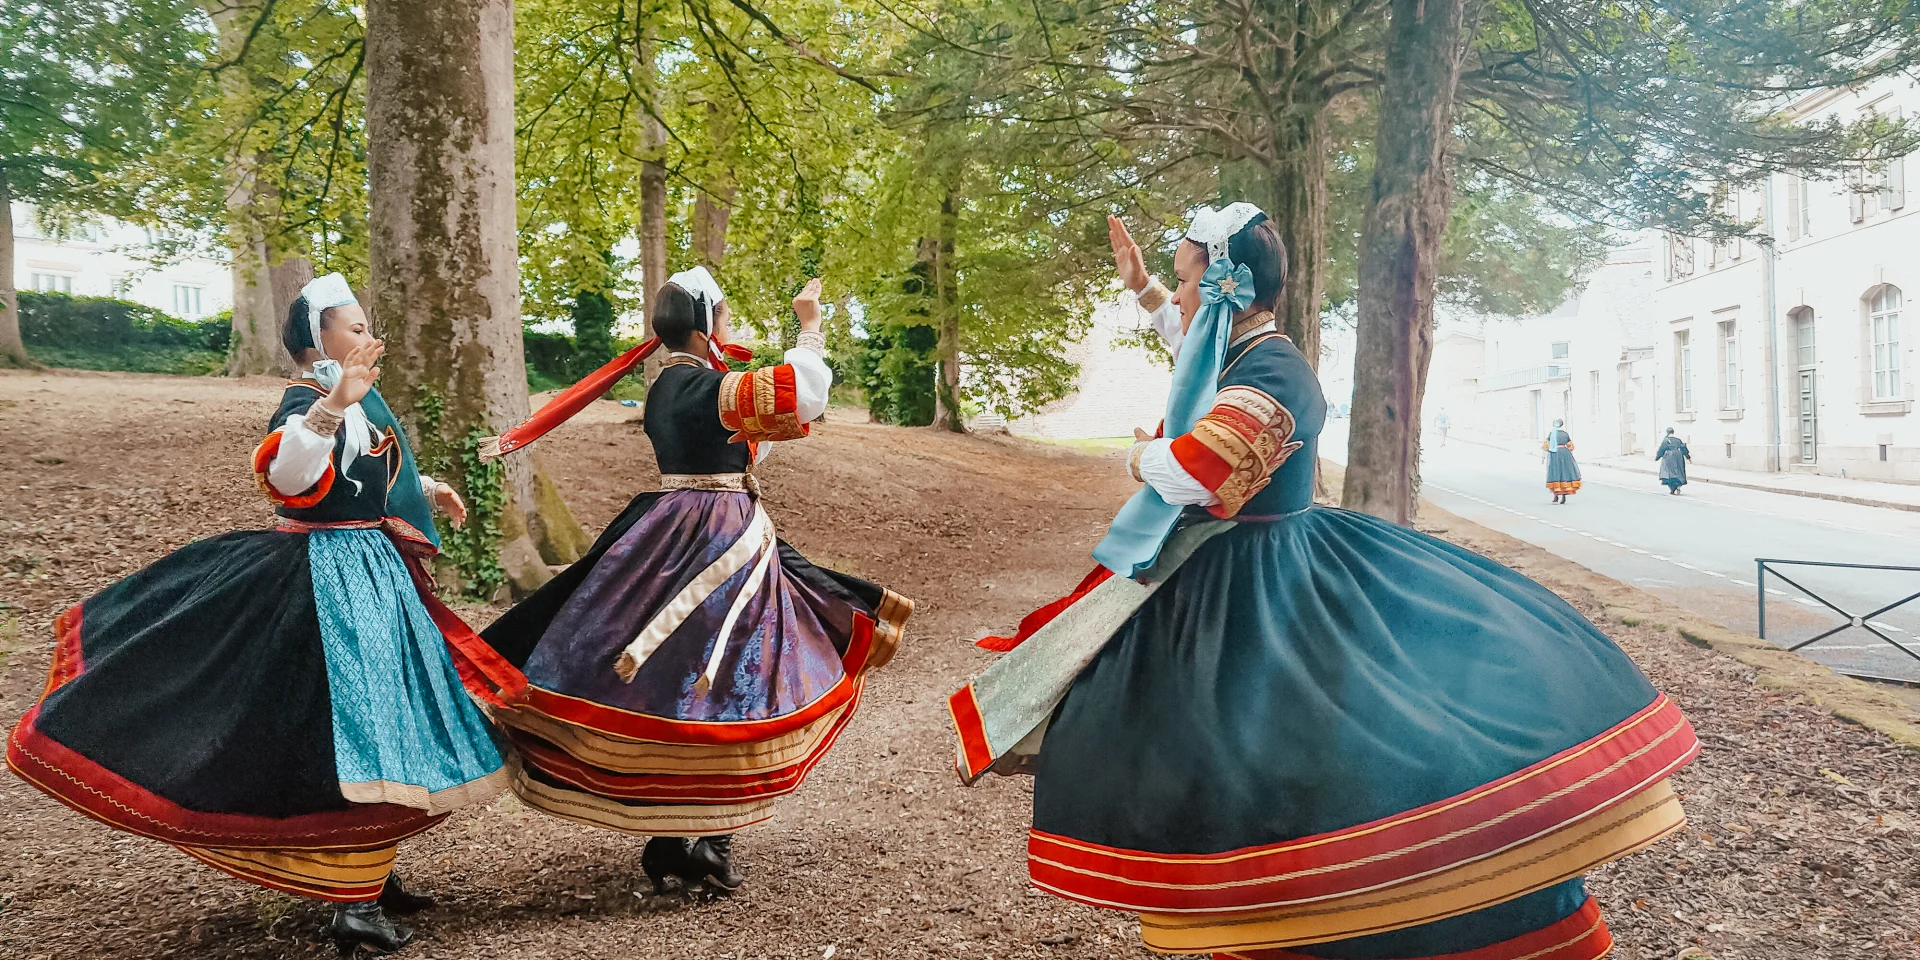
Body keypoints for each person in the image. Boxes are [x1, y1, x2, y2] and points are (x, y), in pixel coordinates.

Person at [947, 206, 1699, 960]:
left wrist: (1140, 456)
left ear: (1223, 288)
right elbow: (1190, 352)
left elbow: (1199, 474)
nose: (1177, 298)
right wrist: (1143, 287)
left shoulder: (1275, 371)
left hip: (1265, 570)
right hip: (1246, 559)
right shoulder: (1242, 351)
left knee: (1297, 745)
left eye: (1183, 281)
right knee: (1253, 743)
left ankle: (1318, 897)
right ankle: (1271, 895)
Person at [6, 274, 508, 955]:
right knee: (348, 729)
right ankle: (352, 902)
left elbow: (359, 480)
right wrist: (331, 404)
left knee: (389, 722)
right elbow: (290, 477)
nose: (368, 337)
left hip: (372, 572)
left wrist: (426, 488)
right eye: (354, 327)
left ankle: (370, 875)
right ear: (316, 339)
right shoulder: (306, 401)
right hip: (323, 582)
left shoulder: (356, 403)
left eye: (365, 327)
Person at [473, 268, 912, 896]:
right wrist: (809, 329)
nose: (729, 330)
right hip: (721, 538)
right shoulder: (709, 387)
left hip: (668, 529)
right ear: (706, 325)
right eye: (725, 318)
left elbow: (736, 442)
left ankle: (677, 836)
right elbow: (802, 395)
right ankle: (706, 837)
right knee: (736, 675)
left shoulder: (663, 389)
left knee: (674, 678)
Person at [1545, 418, 1581, 504]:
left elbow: (1546, 446)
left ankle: (1556, 496)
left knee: (1555, 473)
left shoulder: (1552, 434)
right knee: (1565, 473)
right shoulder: (1565, 434)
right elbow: (1571, 446)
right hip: (1565, 454)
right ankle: (1564, 496)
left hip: (1555, 454)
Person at [1655, 428, 1691, 494]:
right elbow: (1683, 448)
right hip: (1678, 456)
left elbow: (1662, 449)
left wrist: (1657, 457)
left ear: (1667, 432)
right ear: (1673, 432)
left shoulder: (1666, 440)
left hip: (1669, 456)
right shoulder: (1678, 440)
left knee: (1669, 472)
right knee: (1679, 471)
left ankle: (1672, 487)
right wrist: (1688, 457)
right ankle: (1678, 485)